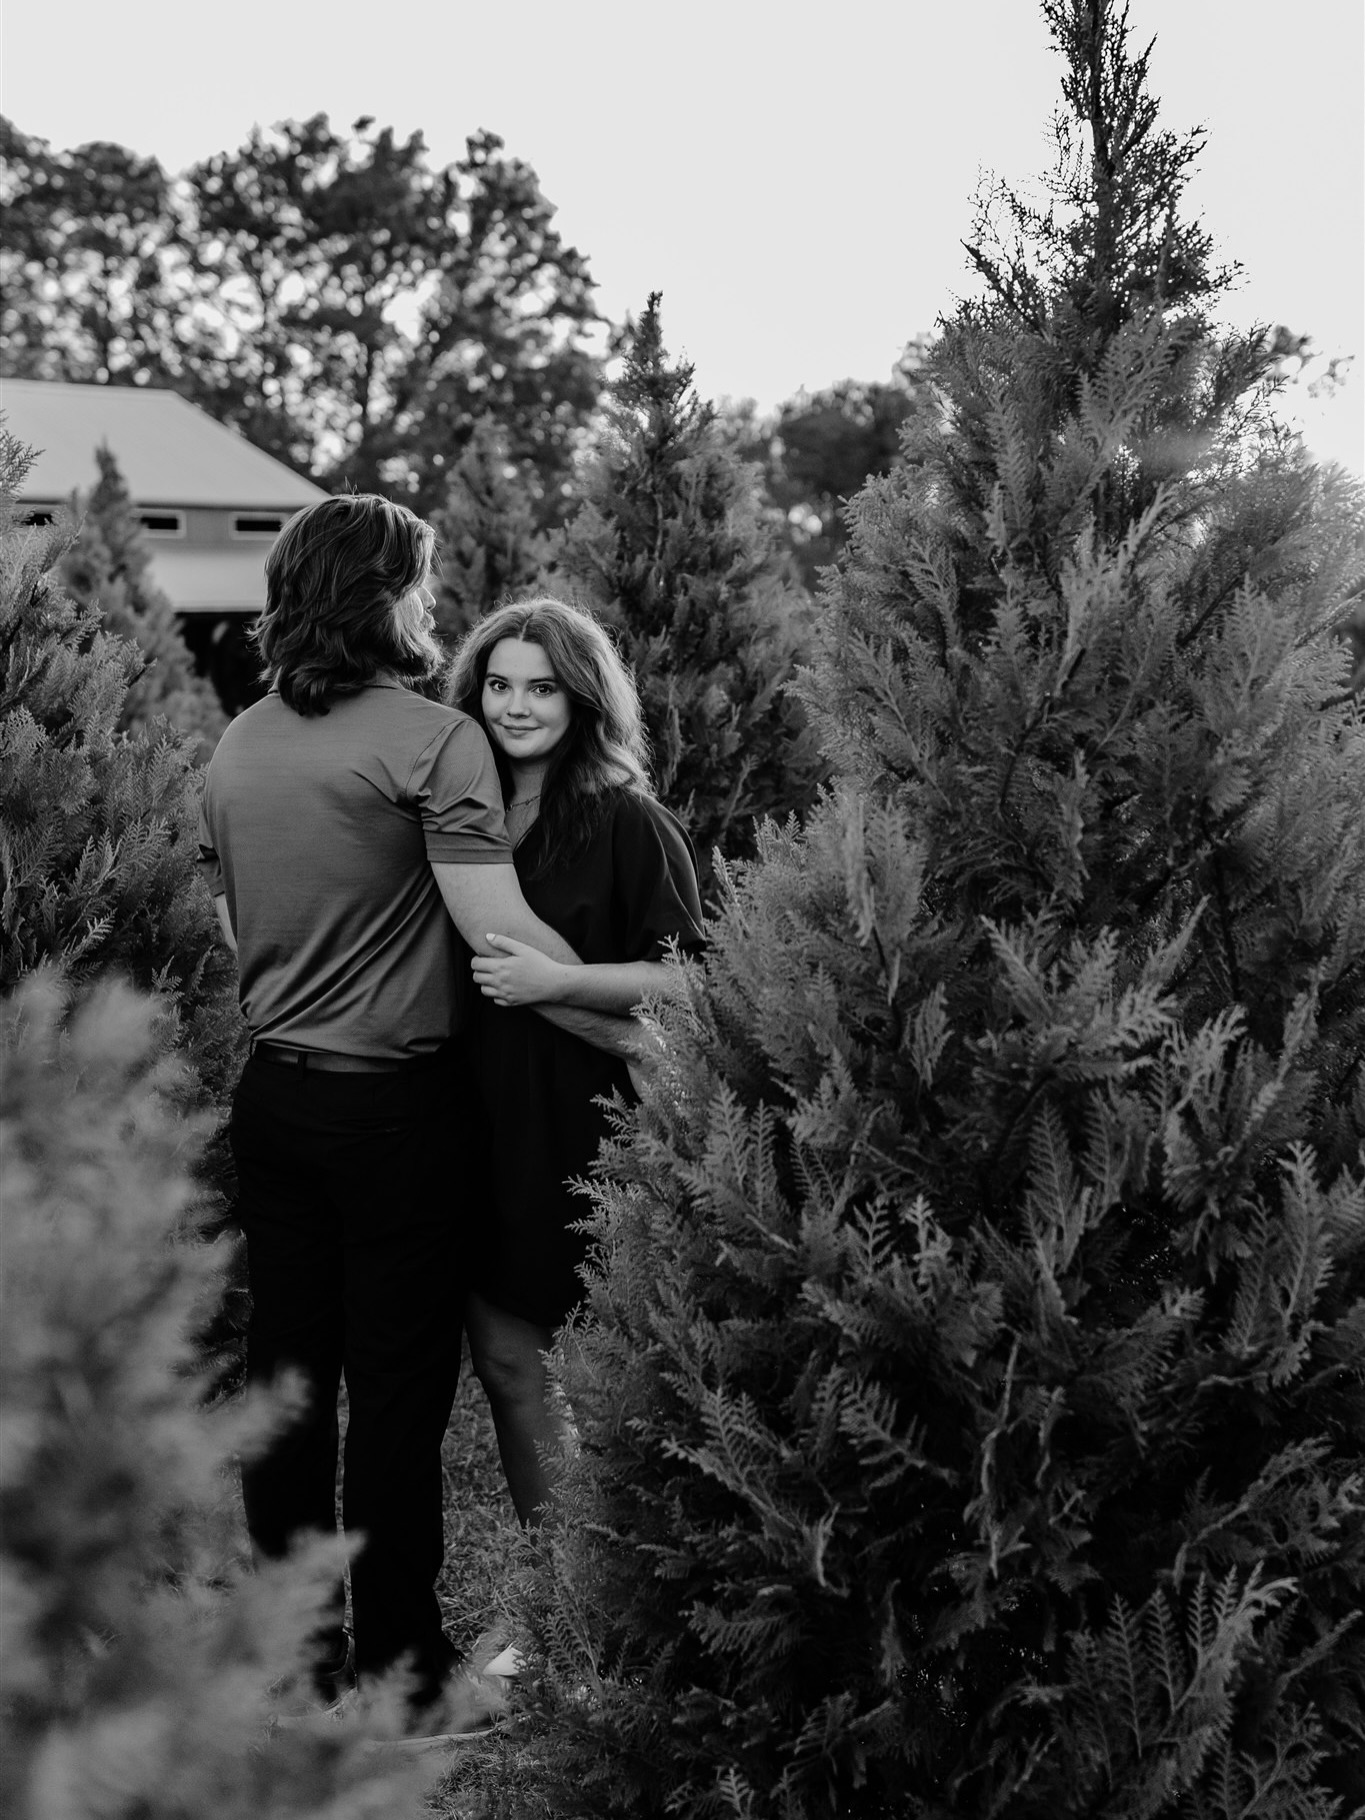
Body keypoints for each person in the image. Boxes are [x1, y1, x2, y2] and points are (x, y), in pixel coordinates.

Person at [197, 499, 634, 1724]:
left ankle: (294, 1663)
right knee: (396, 1394)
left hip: (274, 1098)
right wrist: (646, 1010)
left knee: (285, 1377)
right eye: (423, 584)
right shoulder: (434, 741)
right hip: (397, 1114)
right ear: (381, 596)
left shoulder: (236, 745)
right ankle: (399, 1672)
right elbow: (505, 938)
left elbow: (243, 931)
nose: (433, 607)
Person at [446, 596, 706, 1525]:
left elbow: (685, 985)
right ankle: (553, 1595)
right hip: (473, 1123)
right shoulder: (457, 819)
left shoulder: (626, 821)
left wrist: (555, 981)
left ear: (583, 700)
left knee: (607, 1376)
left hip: (587, 1124)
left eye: (542, 688)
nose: (515, 707)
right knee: (508, 1364)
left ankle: (626, 1585)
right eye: (498, 685)